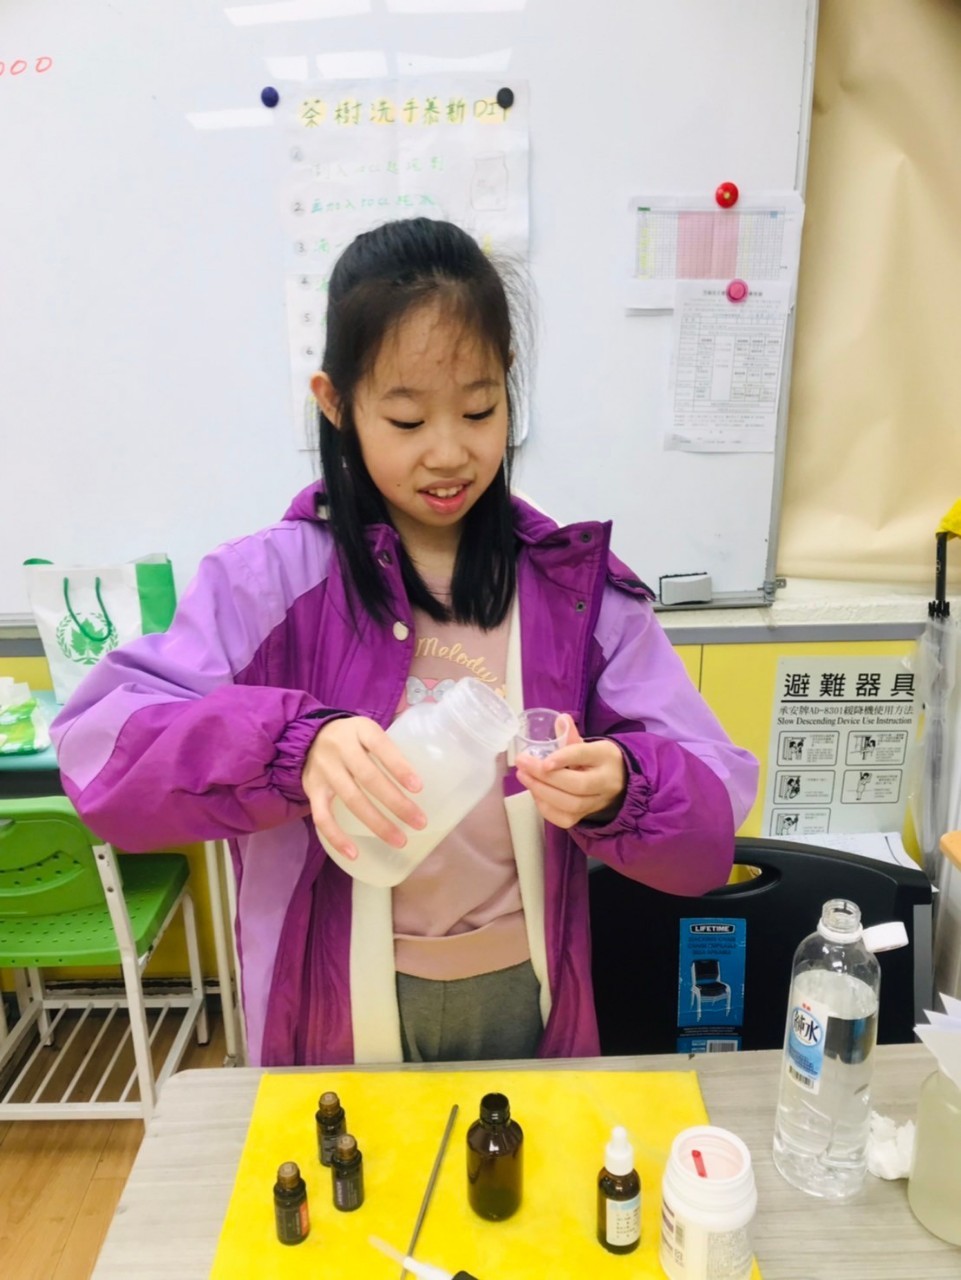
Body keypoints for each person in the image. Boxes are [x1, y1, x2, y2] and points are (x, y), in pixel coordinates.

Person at [51, 218, 758, 1067]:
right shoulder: (267, 584)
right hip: (327, 1008)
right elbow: (101, 755)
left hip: (527, 990)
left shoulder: (575, 595)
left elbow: (712, 812)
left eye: (479, 409)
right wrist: (292, 747)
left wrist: (623, 788)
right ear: (335, 403)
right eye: (406, 418)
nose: (449, 453)